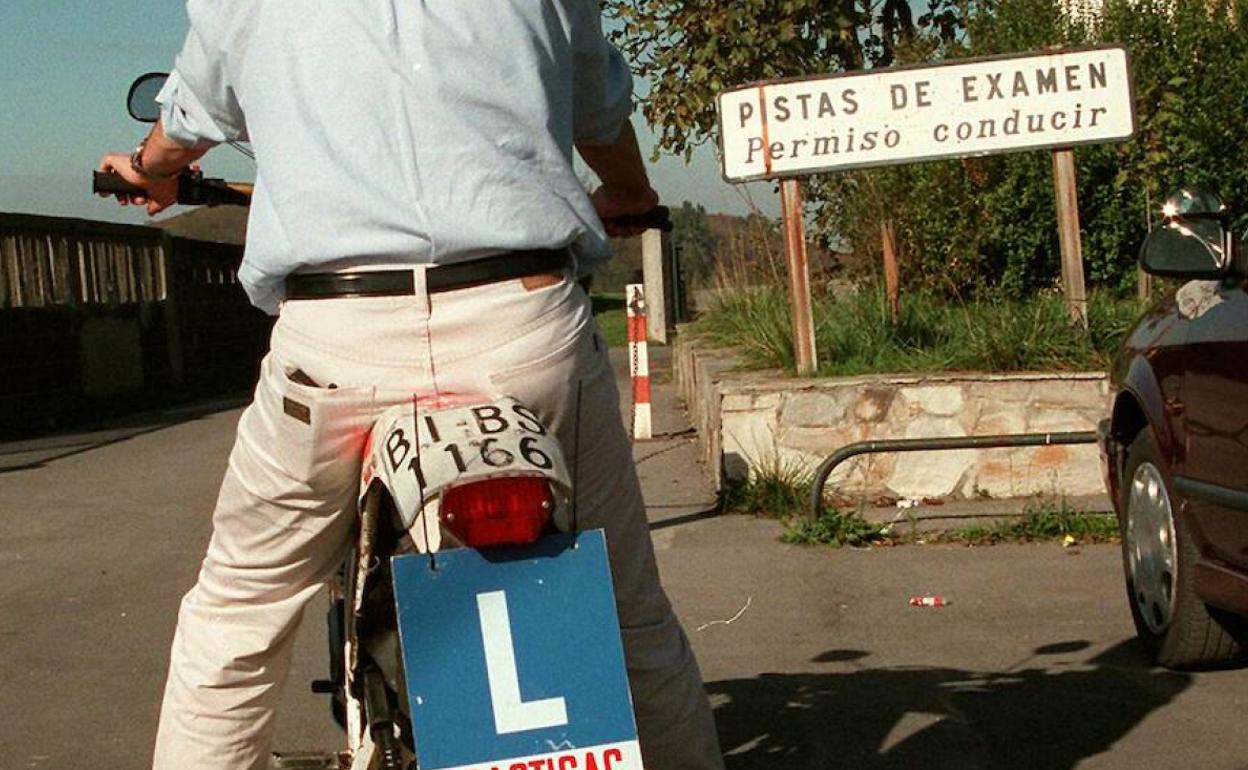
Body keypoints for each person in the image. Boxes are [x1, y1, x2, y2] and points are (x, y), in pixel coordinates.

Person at [97, 2, 726, 769]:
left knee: (238, 614)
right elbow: (597, 112)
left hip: (337, 340)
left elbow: (183, 122)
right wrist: (627, 193)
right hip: (522, 327)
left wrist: (150, 168)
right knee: (627, 617)